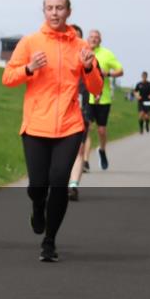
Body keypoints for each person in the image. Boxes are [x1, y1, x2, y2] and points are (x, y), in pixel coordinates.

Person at [2, 0, 102, 261]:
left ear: (69, 11)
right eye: (49, 8)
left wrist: (90, 68)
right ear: (44, 11)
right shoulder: (30, 42)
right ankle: (37, 207)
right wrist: (29, 68)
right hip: (36, 125)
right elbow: (8, 77)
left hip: (70, 126)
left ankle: (50, 241)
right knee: (38, 186)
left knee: (58, 183)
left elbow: (96, 89)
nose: (55, 12)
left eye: (60, 8)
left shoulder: (81, 46)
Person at [85, 30, 123, 169]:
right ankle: (85, 161)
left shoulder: (107, 54)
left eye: (96, 38)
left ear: (100, 40)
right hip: (87, 97)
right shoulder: (82, 51)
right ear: (87, 39)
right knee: (86, 128)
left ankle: (102, 150)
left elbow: (120, 70)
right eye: (91, 37)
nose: (94, 39)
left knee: (101, 130)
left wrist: (108, 73)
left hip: (103, 98)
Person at [66, 24, 94, 201]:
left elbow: (96, 83)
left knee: (79, 148)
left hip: (81, 110)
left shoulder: (88, 59)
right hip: (56, 114)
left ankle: (73, 185)